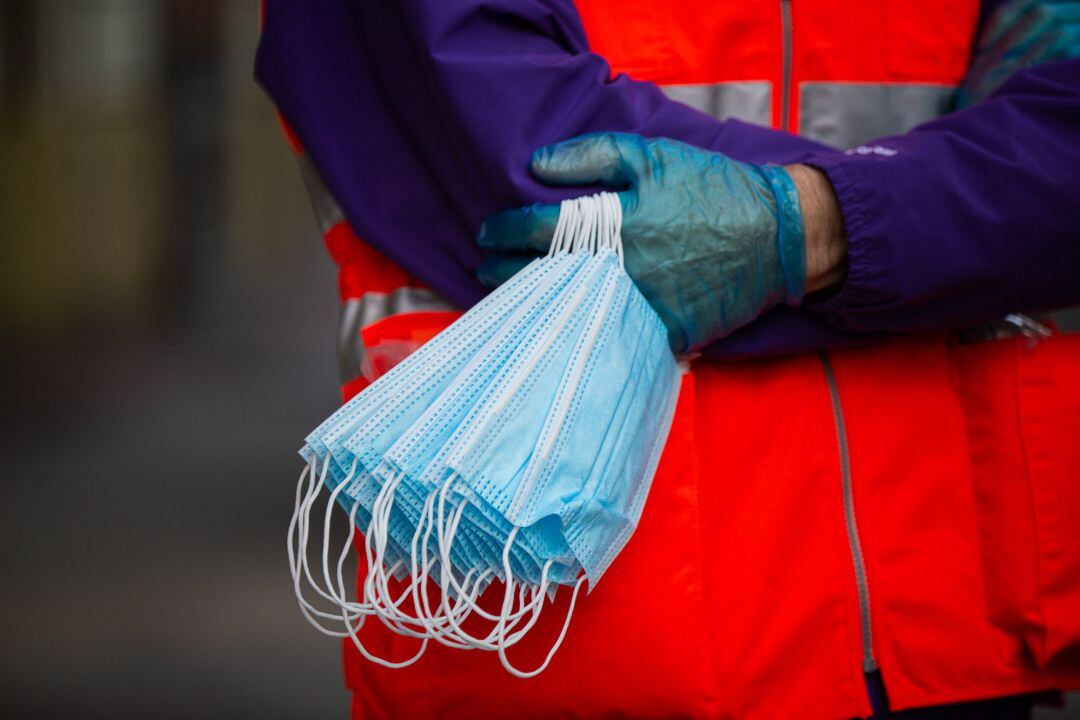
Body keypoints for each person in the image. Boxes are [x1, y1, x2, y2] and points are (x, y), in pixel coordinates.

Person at [256, 0, 1080, 717]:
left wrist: (816, 224)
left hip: (949, 634)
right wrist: (940, 217)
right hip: (566, 635)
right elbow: (545, 171)